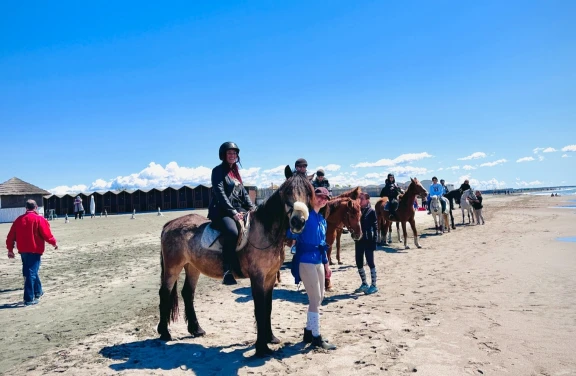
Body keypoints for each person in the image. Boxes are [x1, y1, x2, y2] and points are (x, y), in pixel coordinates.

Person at [287, 187, 336, 350]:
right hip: (306, 259)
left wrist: (327, 265)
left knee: (320, 297)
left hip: (319, 260)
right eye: (319, 196)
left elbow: (324, 246)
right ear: (312, 197)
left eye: (326, 198)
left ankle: (308, 331)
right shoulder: (303, 215)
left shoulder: (322, 219)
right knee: (314, 299)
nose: (322, 200)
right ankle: (316, 336)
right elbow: (292, 232)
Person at [208, 142, 255, 285]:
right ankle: (227, 270)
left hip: (238, 210)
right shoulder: (217, 171)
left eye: (234, 153)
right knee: (232, 232)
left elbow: (243, 193)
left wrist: (252, 208)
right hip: (221, 211)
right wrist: (233, 212)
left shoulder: (235, 172)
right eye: (229, 153)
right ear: (223, 155)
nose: (232, 156)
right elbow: (220, 193)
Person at [6, 200, 58, 306]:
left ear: (26, 208)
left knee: (30, 271)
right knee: (31, 273)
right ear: (36, 207)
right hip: (35, 250)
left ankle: (38, 292)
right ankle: (29, 299)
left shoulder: (19, 220)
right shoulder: (39, 219)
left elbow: (10, 236)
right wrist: (54, 243)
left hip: (23, 250)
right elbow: (46, 234)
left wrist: (10, 250)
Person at [354, 193, 378, 295]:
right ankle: (364, 283)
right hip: (359, 240)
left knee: (370, 263)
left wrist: (374, 241)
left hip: (368, 240)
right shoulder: (357, 211)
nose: (360, 200)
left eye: (362, 198)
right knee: (359, 262)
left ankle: (374, 285)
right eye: (358, 198)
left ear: (368, 200)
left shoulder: (371, 211)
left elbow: (375, 227)